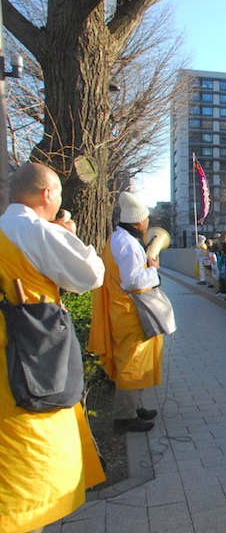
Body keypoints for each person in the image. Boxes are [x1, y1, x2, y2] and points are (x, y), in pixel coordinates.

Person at [0, 162, 106, 533]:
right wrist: (68, 236)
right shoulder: (33, 231)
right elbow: (90, 275)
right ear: (48, 194)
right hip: (27, 360)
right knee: (28, 473)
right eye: (58, 192)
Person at [89, 191, 170, 433]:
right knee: (132, 363)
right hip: (130, 311)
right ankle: (124, 416)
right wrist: (153, 269)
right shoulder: (126, 243)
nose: (148, 223)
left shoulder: (119, 238)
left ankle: (134, 407)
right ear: (138, 221)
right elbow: (133, 280)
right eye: (146, 219)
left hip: (125, 308)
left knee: (137, 360)